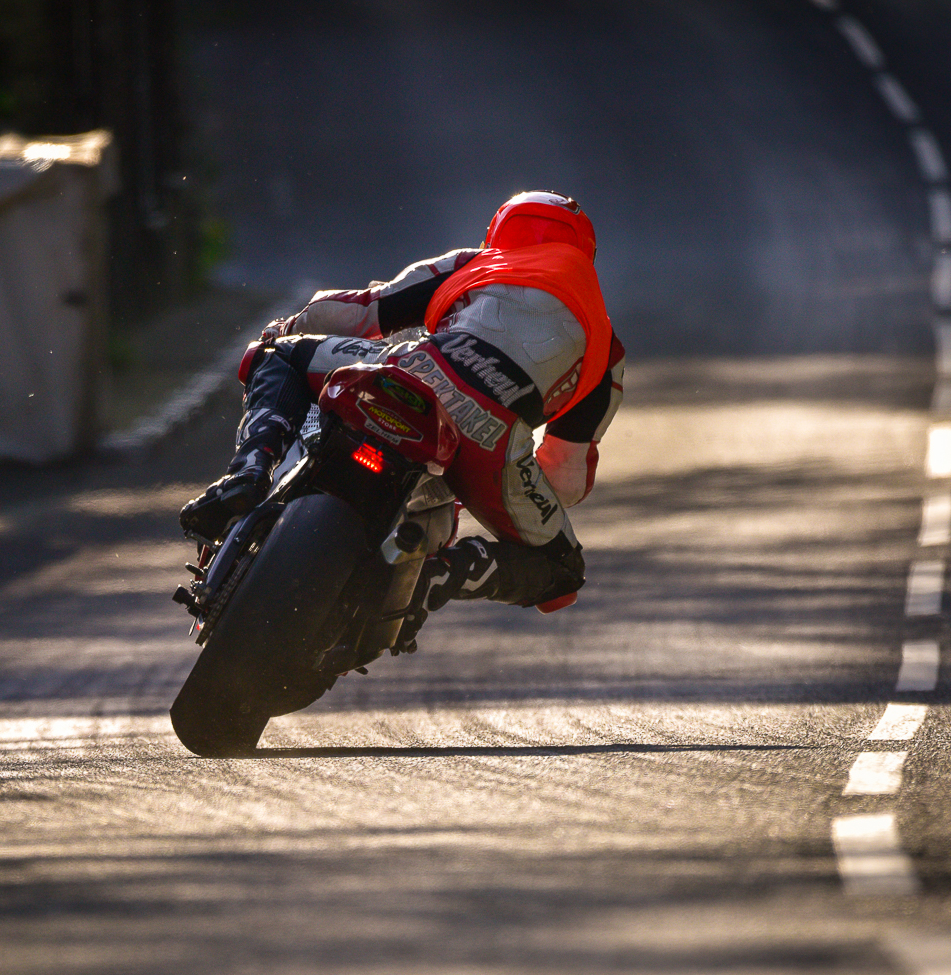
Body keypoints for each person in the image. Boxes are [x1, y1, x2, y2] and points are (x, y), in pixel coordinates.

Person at [180, 190, 626, 646]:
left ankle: (250, 472)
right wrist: (505, 485)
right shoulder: (606, 344)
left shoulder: (479, 262)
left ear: (499, 232)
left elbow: (362, 310)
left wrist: (287, 328)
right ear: (585, 252)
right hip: (497, 435)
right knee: (563, 572)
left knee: (277, 356)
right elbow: (567, 480)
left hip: (413, 370)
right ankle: (439, 577)